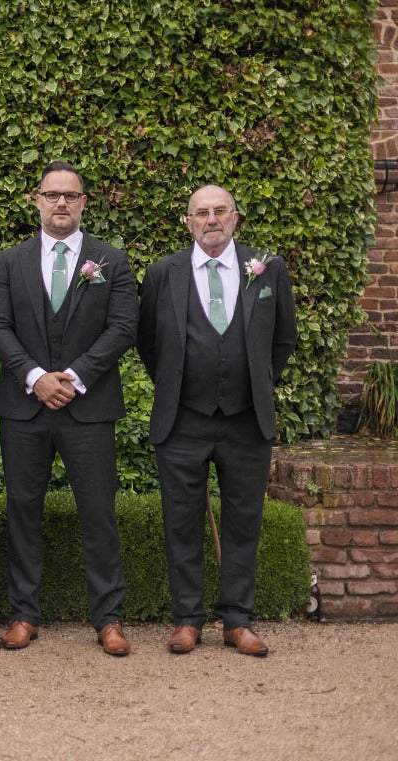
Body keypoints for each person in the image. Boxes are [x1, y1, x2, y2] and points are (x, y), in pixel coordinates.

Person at [0, 161, 138, 656]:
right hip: (25, 407)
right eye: (52, 195)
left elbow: (122, 328)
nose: (61, 204)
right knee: (22, 511)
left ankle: (108, 618)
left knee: (99, 513)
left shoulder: (111, 261)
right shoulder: (10, 261)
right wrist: (35, 377)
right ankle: (24, 614)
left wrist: (72, 378)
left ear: (84, 202)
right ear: (37, 200)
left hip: (87, 408)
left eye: (70, 196)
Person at [137, 184, 297, 657]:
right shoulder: (163, 273)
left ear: (235, 217)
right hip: (182, 420)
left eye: (219, 210)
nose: (211, 219)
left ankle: (237, 620)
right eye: (201, 212)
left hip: (247, 421)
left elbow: (283, 339)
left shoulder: (267, 267)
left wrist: (254, 382)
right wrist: (180, 385)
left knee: (244, 521)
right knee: (181, 521)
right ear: (188, 222)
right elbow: (150, 343)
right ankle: (187, 619)